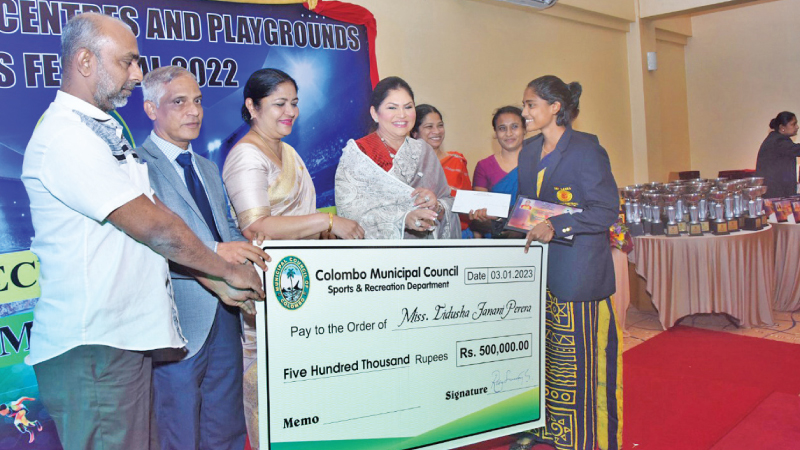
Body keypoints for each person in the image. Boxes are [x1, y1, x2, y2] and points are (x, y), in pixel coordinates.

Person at [20, 13, 264, 449]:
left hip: (122, 346)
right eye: (127, 61)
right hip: (92, 349)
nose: (137, 74)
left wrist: (215, 282)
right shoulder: (66, 137)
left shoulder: (104, 132)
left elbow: (149, 224)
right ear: (85, 61)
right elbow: (156, 227)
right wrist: (227, 270)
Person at [222, 68, 364, 448]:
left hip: (301, 287)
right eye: (279, 103)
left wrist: (324, 234)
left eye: (295, 103)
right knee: (269, 391)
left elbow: (296, 220)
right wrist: (326, 221)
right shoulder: (246, 156)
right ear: (253, 107)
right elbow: (255, 226)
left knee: (307, 389)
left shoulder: (288, 151)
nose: (291, 112)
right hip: (266, 292)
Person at [137, 66, 271, 450]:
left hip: (226, 316)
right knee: (178, 435)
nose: (194, 111)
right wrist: (217, 254)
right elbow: (149, 245)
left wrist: (258, 256)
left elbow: (227, 231)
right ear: (151, 109)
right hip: (175, 322)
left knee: (226, 431)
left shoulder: (208, 167)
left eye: (197, 101)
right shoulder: (136, 166)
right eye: (179, 102)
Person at [513, 76, 622, 450]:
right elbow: (528, 209)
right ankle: (547, 430)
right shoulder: (529, 151)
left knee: (580, 364)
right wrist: (494, 218)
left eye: (530, 105)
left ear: (555, 107)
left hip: (578, 275)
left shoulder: (587, 150)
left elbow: (605, 210)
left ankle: (587, 440)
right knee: (547, 360)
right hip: (540, 273)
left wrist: (556, 226)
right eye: (525, 105)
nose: (525, 112)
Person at [335, 76, 460, 239]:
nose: (402, 115)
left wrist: (436, 206)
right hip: (380, 253)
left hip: (426, 252)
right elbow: (350, 217)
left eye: (408, 107)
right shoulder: (359, 153)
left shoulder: (424, 151)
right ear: (374, 113)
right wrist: (402, 220)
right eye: (392, 108)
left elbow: (447, 202)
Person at [411, 104, 472, 237]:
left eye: (440, 125)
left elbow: (468, 205)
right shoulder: (408, 166)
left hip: (456, 234)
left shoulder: (456, 161)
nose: (437, 131)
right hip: (419, 236)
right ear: (415, 133)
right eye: (429, 127)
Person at [470, 106, 527, 237]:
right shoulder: (484, 166)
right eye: (502, 128)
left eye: (514, 127)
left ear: (525, 129)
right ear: (495, 133)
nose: (508, 133)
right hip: (495, 238)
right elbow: (480, 214)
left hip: (533, 239)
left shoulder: (538, 164)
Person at [755, 111, 800, 198]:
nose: (797, 127)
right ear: (782, 127)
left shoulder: (776, 138)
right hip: (775, 193)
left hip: (775, 191)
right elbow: (796, 149)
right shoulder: (778, 141)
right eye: (793, 124)